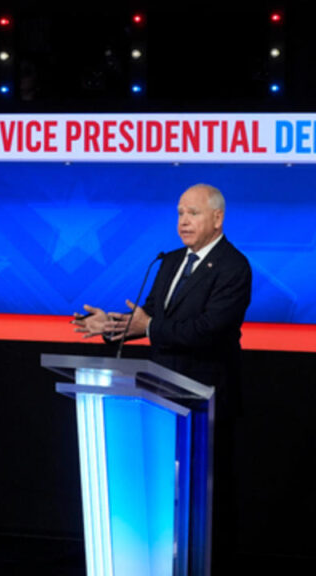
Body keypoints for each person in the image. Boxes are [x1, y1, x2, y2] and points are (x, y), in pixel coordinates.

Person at [73, 182, 252, 574]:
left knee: (205, 503)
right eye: (179, 213)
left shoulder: (233, 267)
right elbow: (152, 318)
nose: (183, 221)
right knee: (163, 496)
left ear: (217, 218)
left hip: (206, 401)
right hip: (160, 397)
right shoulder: (169, 262)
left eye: (193, 213)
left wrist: (148, 325)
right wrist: (112, 325)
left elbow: (207, 330)